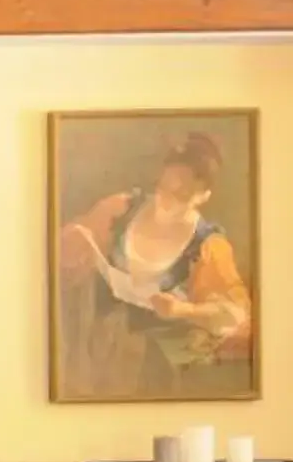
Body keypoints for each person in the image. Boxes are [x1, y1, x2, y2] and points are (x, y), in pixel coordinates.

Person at [56, 131, 252, 398]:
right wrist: (76, 241)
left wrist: (183, 310)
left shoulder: (208, 246)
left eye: (181, 195)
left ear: (203, 195)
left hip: (152, 366)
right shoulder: (121, 209)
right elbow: (59, 260)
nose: (167, 200)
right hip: (94, 348)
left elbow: (234, 315)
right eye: (163, 188)